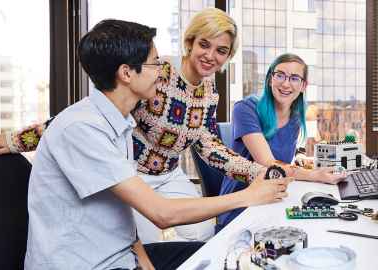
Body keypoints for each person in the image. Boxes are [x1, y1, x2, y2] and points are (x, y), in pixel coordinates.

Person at [22, 19, 290, 270]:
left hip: (123, 246)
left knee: (217, 251)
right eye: (154, 63)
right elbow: (162, 213)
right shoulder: (82, 127)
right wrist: (248, 196)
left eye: (221, 50)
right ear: (127, 73)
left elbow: (210, 147)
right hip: (88, 261)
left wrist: (143, 261)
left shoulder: (122, 123)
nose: (160, 70)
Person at [216, 53, 346, 232]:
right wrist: (315, 175)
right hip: (241, 206)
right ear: (270, 79)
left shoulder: (295, 119)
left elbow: (283, 161)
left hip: (273, 199)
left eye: (294, 78)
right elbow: (269, 164)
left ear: (303, 86)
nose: (285, 83)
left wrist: (305, 165)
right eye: (280, 75)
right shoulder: (245, 109)